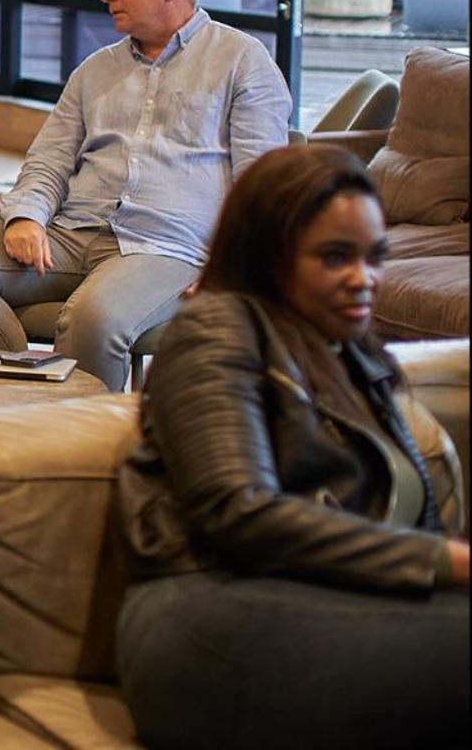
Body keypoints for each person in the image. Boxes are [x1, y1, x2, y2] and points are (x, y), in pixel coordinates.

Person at [114, 143, 468, 748]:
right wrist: (451, 563)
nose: (364, 278)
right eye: (335, 257)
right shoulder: (217, 328)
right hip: (209, 619)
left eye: (375, 257)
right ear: (268, 255)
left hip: (335, 605)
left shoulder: (353, 355)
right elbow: (238, 512)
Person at [0, 0, 292, 390]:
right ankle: (24, 403)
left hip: (167, 247)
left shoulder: (243, 62)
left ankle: (78, 433)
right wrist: (26, 216)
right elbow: (48, 160)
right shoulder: (95, 70)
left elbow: (263, 185)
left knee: (93, 318)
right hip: (73, 233)